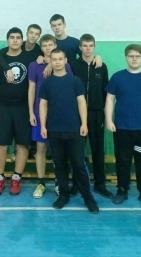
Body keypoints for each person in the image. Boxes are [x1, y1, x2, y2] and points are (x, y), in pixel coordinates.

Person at [39, 49, 99, 213]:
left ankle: (88, 198)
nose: (57, 62)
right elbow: (43, 105)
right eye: (54, 59)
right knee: (59, 165)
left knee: (79, 165)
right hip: (54, 130)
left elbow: (81, 102)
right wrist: (43, 126)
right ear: (51, 61)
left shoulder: (75, 81)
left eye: (60, 59)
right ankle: (63, 195)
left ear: (65, 60)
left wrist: (84, 123)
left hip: (74, 130)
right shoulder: (47, 83)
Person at [105, 44, 141, 207]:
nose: (134, 59)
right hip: (122, 128)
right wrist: (109, 120)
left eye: (137, 56)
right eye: (131, 56)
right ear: (126, 57)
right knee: (122, 162)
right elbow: (109, 99)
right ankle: (122, 190)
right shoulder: (117, 77)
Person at [0, 27, 36, 195]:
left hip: (23, 108)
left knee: (23, 144)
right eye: (12, 37)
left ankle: (16, 178)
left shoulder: (29, 57)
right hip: (3, 107)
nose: (15, 40)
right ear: (7, 40)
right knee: (1, 145)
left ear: (22, 40)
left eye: (18, 37)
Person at [28, 34, 72, 198]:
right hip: (40, 112)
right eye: (45, 45)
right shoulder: (34, 65)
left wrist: (51, 65)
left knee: (58, 150)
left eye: (50, 45)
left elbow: (69, 88)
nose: (48, 48)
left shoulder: (64, 65)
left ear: (55, 46)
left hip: (59, 114)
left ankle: (58, 182)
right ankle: (41, 183)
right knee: (41, 148)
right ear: (41, 47)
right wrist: (31, 112)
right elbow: (31, 89)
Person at [71, 34, 113, 199]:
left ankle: (100, 184)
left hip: (96, 114)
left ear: (94, 47)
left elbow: (106, 92)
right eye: (85, 46)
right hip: (76, 114)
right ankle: (76, 183)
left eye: (90, 46)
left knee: (98, 150)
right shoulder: (73, 65)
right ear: (80, 48)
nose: (88, 49)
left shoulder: (102, 67)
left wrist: (105, 115)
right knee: (77, 151)